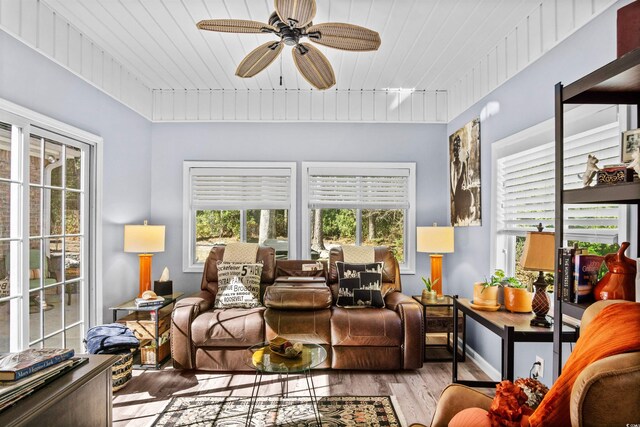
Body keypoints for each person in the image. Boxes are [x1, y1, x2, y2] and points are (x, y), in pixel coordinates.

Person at [450, 135, 475, 225]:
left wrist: (466, 162)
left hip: (459, 195)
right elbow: (455, 182)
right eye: (458, 148)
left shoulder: (462, 164)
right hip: (457, 196)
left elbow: (465, 179)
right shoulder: (453, 165)